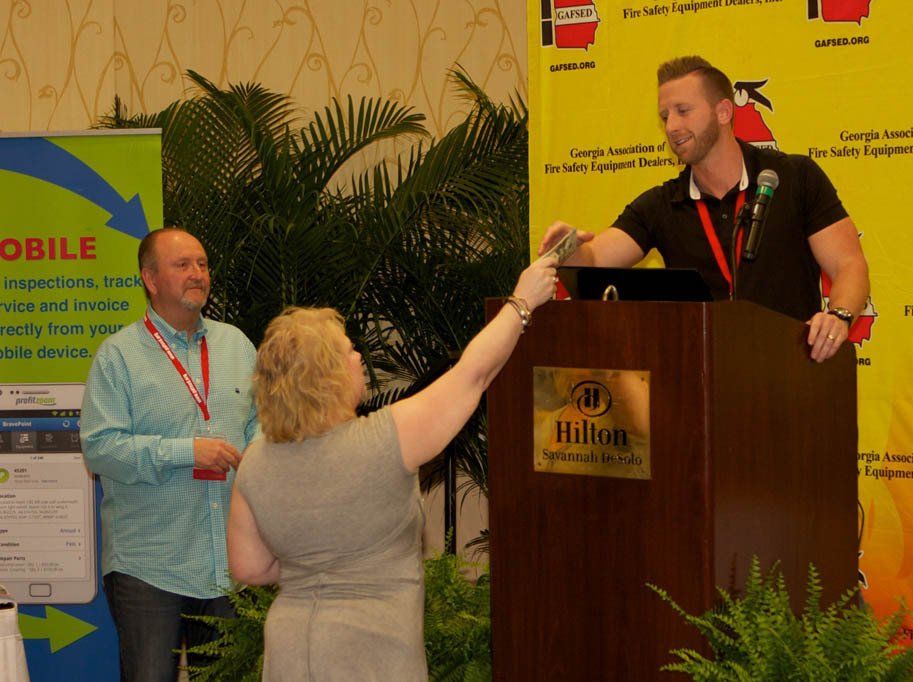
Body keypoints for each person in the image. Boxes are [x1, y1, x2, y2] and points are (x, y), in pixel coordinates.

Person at [227, 256, 557, 680]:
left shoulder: (254, 462)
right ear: (328, 376)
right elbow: (473, 374)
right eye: (349, 350)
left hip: (290, 652)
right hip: (371, 652)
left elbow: (249, 567)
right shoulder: (384, 440)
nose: (358, 357)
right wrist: (522, 302)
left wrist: (315, 566)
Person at [539, 55, 869, 363]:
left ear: (723, 112)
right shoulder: (662, 204)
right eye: (665, 117)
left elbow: (848, 264)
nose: (671, 126)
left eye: (683, 111)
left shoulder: (795, 178)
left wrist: (838, 316)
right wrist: (565, 248)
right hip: (704, 379)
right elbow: (594, 260)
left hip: (793, 371)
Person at [81, 227, 259, 681]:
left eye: (202, 264)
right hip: (149, 568)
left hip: (229, 565)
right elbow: (100, 447)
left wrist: (260, 454)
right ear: (150, 279)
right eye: (183, 265)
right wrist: (185, 452)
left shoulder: (237, 345)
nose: (198, 274)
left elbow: (262, 425)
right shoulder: (118, 356)